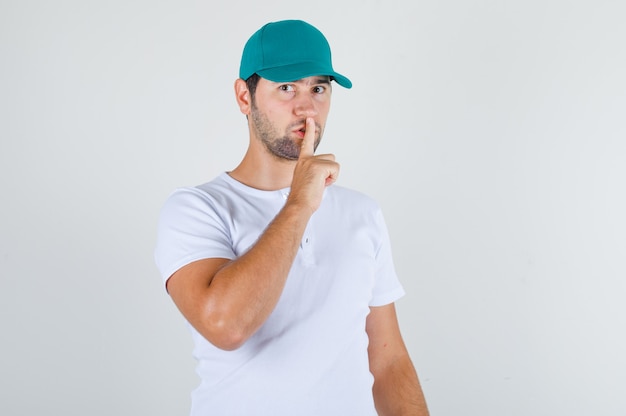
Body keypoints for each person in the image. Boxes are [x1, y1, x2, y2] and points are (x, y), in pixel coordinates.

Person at [155, 19, 429, 415]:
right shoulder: (196, 209)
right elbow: (225, 326)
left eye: (318, 88)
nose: (306, 107)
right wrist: (300, 202)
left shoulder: (362, 213)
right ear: (244, 98)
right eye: (286, 87)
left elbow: (388, 362)